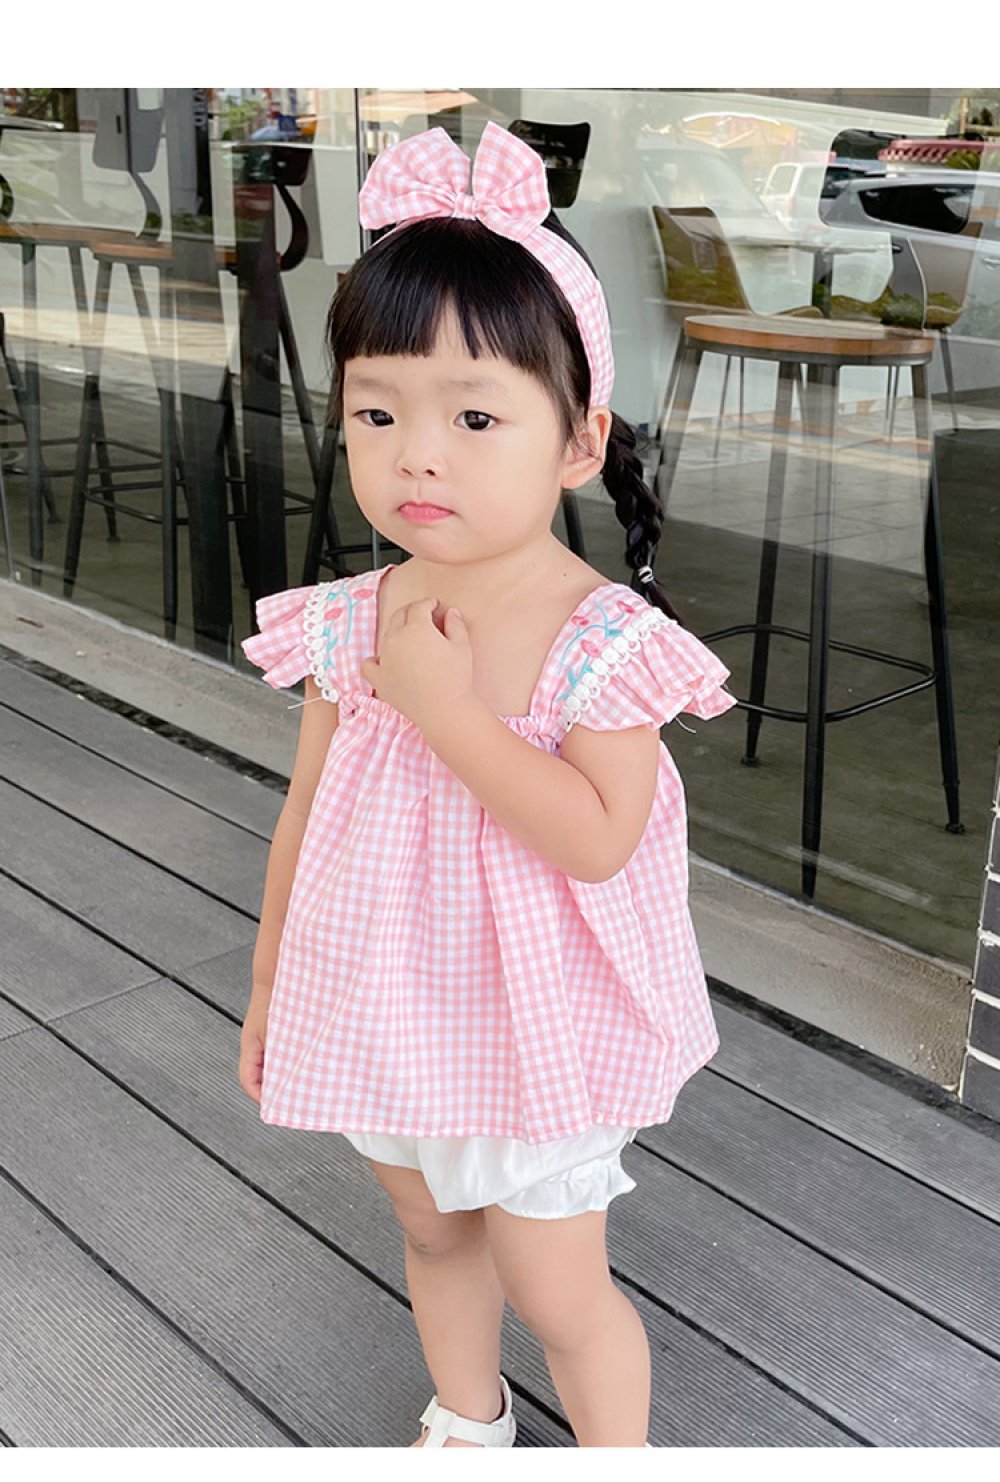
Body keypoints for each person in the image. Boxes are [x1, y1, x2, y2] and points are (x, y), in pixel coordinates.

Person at [238, 121, 737, 1449]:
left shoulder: (604, 642)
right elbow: (306, 816)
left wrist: (448, 710)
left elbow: (599, 837)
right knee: (430, 1228)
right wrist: (274, 982)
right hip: (388, 999)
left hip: (540, 1027)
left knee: (556, 1283)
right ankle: (469, 1421)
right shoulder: (351, 619)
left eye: (474, 416)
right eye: (378, 411)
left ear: (579, 439)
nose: (419, 454)